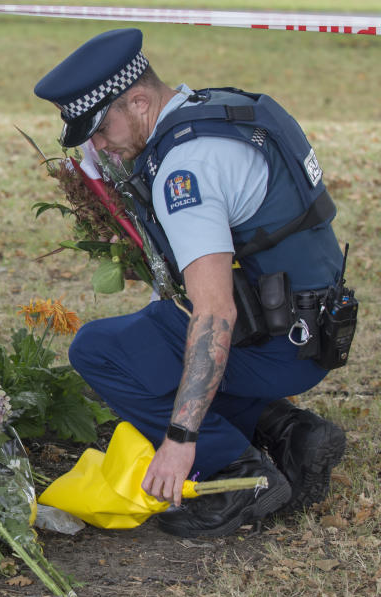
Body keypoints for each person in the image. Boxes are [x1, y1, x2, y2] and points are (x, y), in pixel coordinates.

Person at [33, 28, 351, 537]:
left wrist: (179, 439)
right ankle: (289, 433)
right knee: (158, 336)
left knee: (100, 350)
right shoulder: (219, 111)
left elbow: (215, 313)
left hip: (274, 344)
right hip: (313, 329)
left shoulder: (185, 169)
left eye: (99, 128)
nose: (97, 144)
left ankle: (237, 473)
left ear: (138, 100)